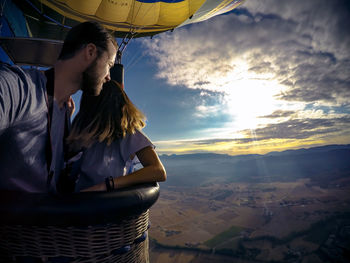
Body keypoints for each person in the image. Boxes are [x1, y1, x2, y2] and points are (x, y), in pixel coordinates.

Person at [0, 21, 117, 192]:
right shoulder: (18, 87)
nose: (108, 77)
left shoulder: (64, 113)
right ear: (90, 52)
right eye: (109, 66)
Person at [66, 80, 166, 192]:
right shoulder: (84, 134)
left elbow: (158, 171)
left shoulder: (128, 134)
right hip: (81, 200)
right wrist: (65, 119)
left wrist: (107, 185)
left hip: (108, 202)